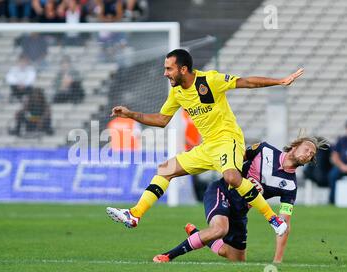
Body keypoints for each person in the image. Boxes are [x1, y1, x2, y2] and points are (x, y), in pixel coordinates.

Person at [106, 49, 304, 236]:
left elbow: (247, 82)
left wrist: (280, 81)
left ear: (183, 69)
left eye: (169, 68)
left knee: (232, 178)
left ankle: (274, 220)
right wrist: (131, 114)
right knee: (165, 169)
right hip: (208, 147)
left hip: (228, 140)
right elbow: (161, 120)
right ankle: (135, 214)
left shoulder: (210, 80)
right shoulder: (177, 93)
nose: (165, 73)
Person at [153, 137, 329, 263]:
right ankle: (168, 256)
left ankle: (197, 234)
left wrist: (277, 260)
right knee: (220, 229)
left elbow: (284, 225)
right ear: (295, 146)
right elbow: (236, 158)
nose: (308, 154)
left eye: (312, 155)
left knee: (233, 258)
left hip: (240, 211)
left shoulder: (290, 186)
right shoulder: (264, 149)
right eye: (307, 149)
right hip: (222, 192)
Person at [328, 120, 347, 204]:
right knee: (332, 175)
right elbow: (334, 156)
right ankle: (333, 200)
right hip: (341, 166)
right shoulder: (341, 140)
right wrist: (342, 166)